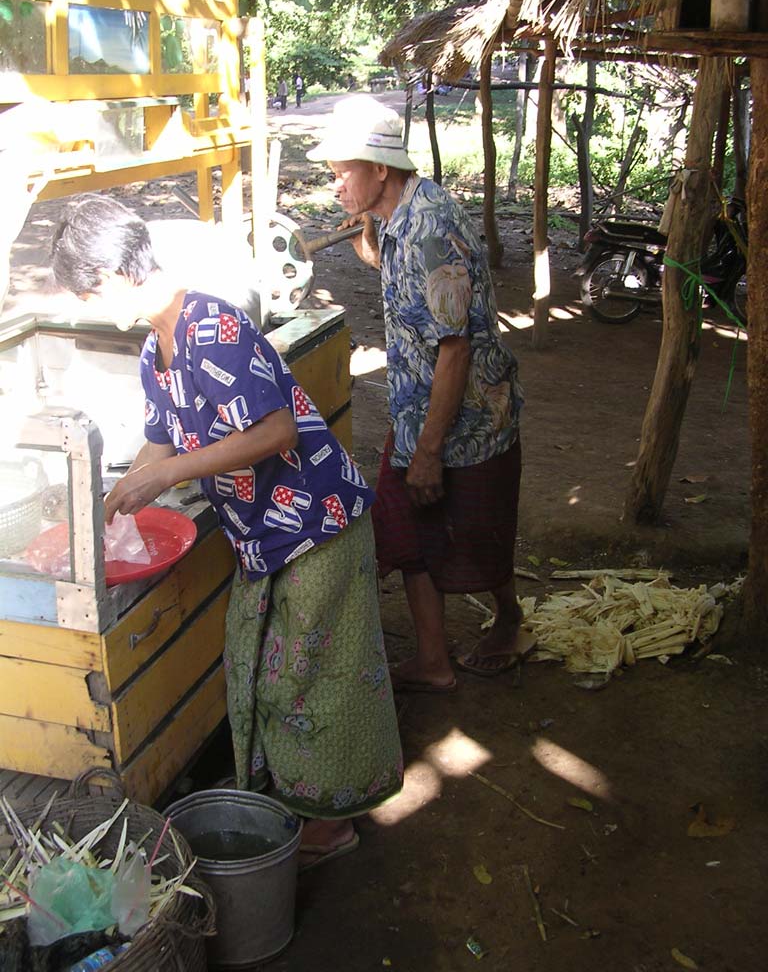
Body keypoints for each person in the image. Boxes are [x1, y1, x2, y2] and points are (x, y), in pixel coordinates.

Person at [50, 195, 403, 867]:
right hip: (264, 538)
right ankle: (290, 798)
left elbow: (276, 431)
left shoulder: (215, 326)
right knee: (268, 670)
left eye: (88, 289)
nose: (88, 304)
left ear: (118, 273)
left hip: (317, 526)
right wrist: (112, 500)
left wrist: (168, 473)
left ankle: (332, 823)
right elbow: (160, 439)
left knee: (314, 679)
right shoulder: (156, 349)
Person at [307, 98, 531, 692]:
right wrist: (371, 236)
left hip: (470, 419)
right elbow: (399, 276)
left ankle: (510, 619)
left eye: (343, 172)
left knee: (479, 535)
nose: (335, 186)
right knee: (407, 532)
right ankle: (434, 662)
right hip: (416, 411)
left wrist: (429, 452)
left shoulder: (432, 230)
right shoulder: (398, 215)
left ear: (381, 168)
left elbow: (455, 350)